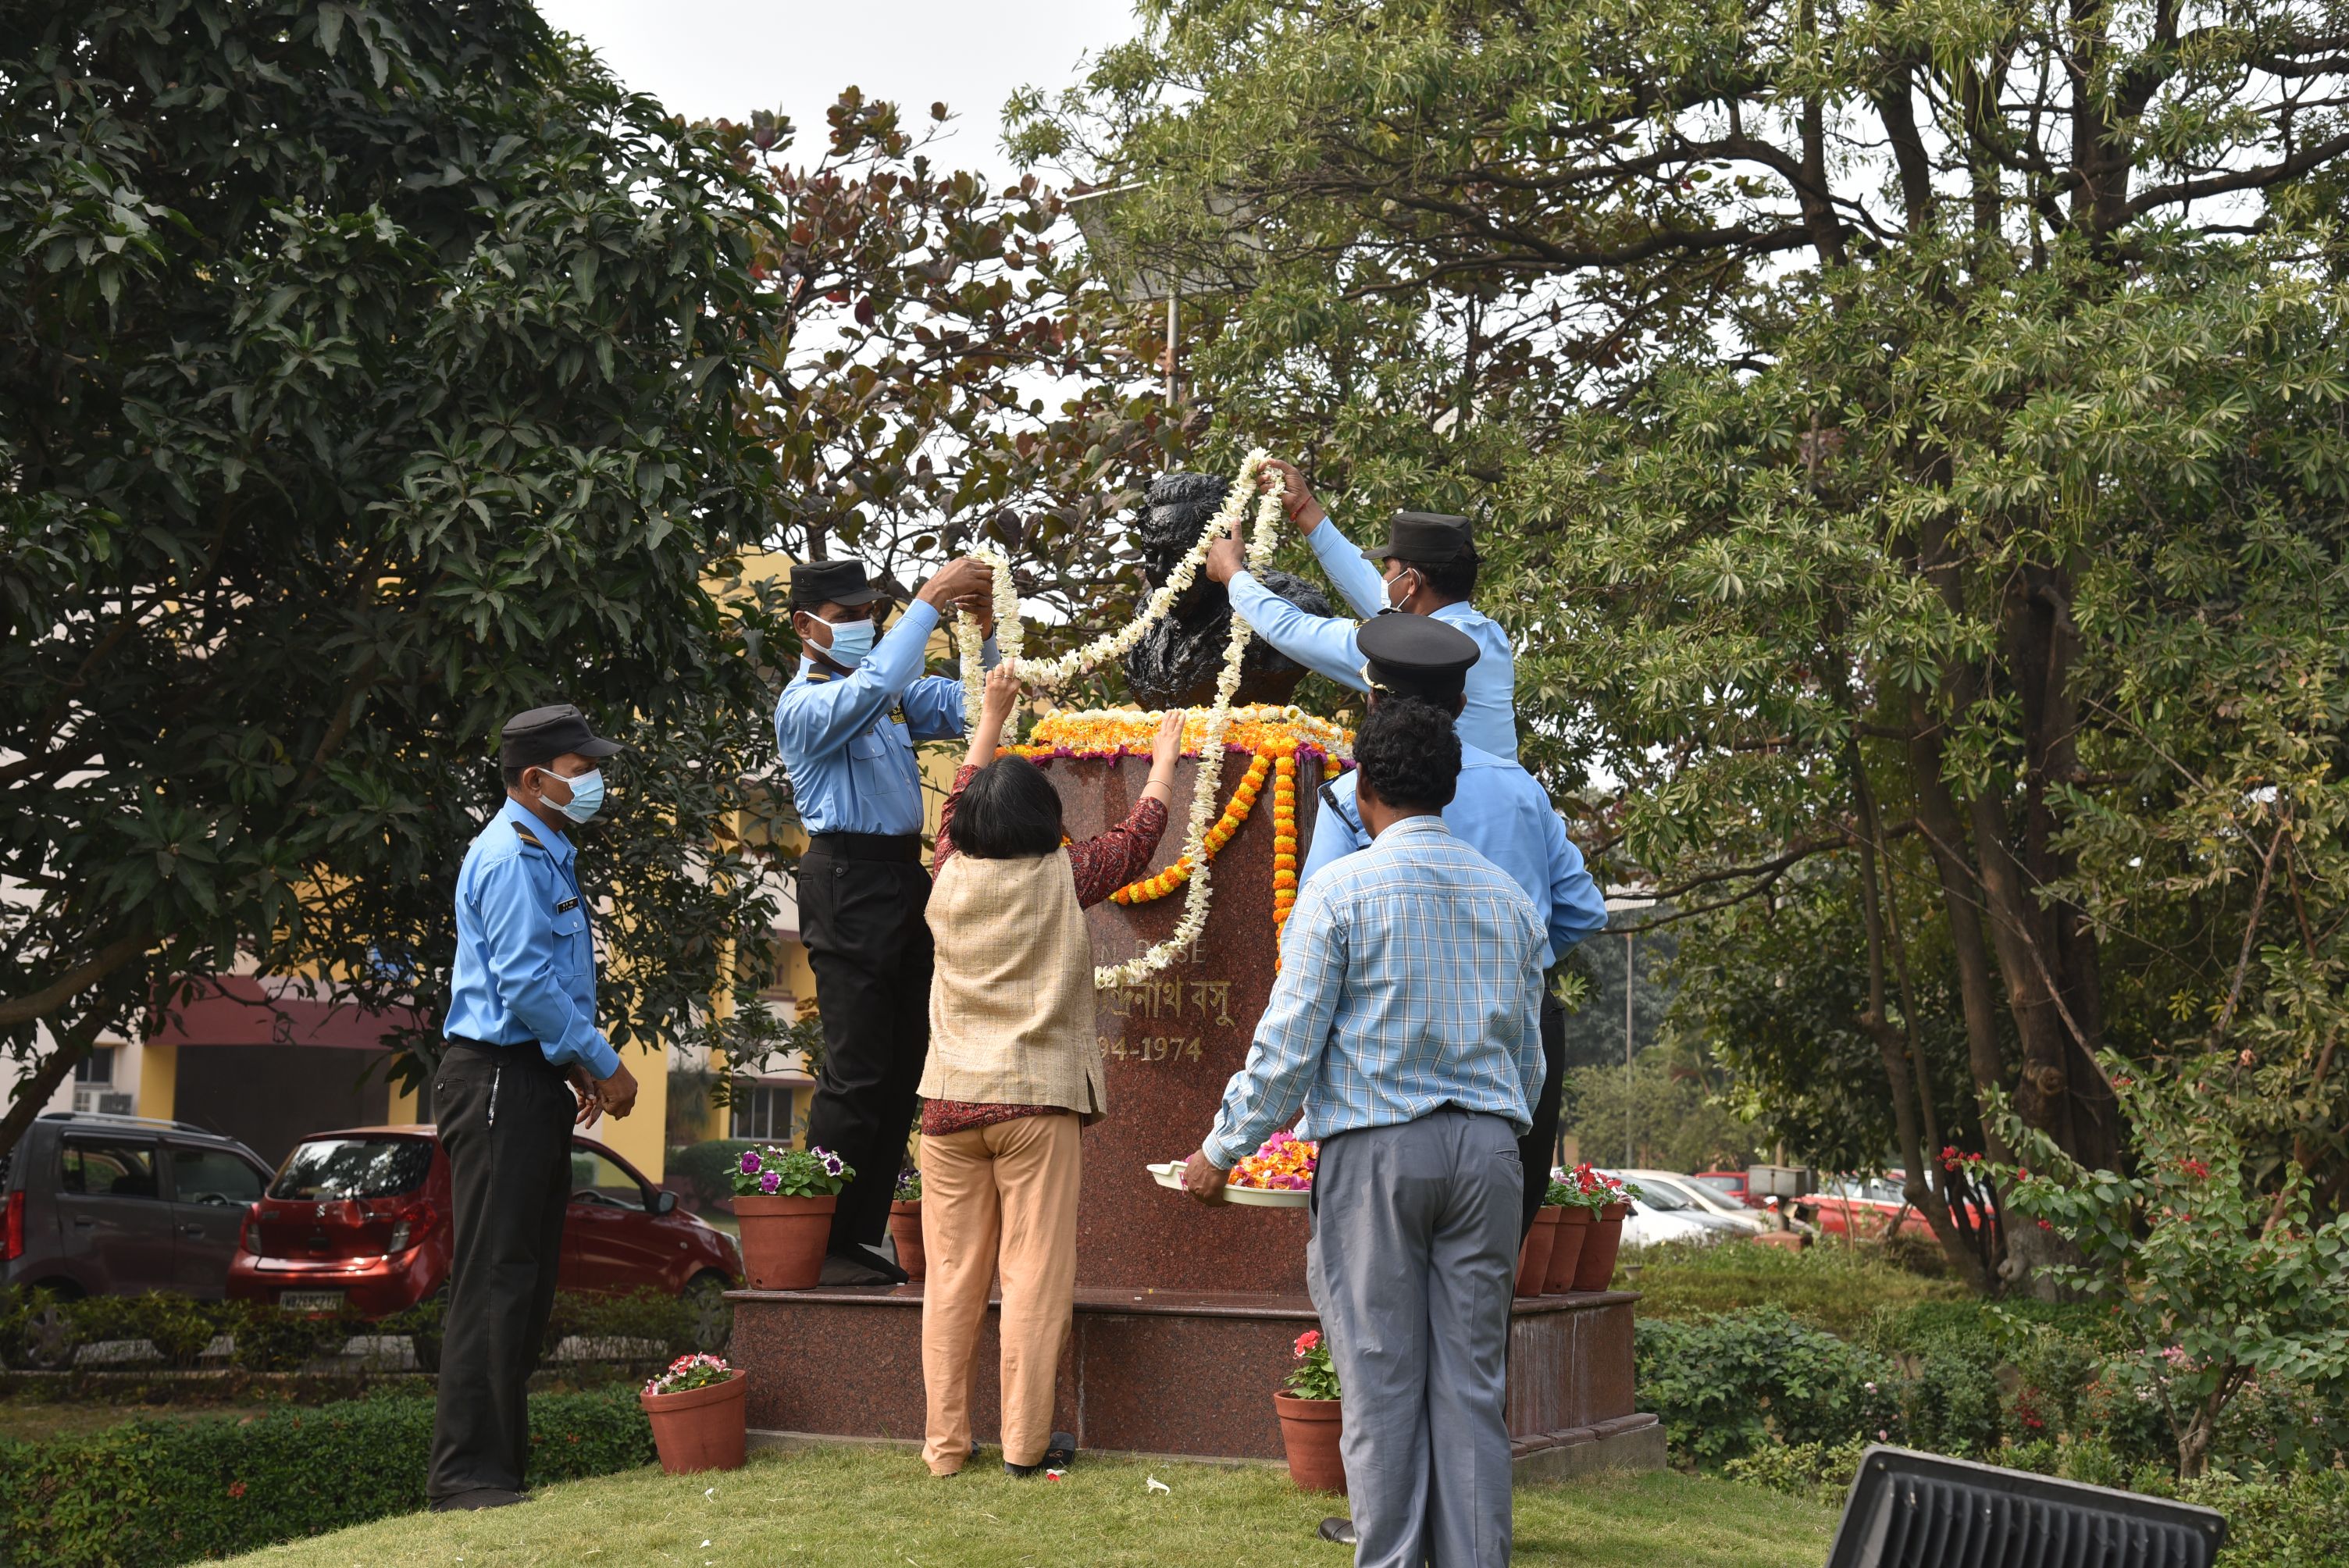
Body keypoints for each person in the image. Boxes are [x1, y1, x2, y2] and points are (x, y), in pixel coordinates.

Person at [1181, 698, 1548, 1568]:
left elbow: (1288, 1047)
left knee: (1380, 1383)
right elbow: (1529, 1060)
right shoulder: (1508, 901)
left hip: (1378, 1151)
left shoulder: (1339, 891)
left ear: (1364, 789)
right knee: (1472, 1386)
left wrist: (1220, 1149)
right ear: (1448, 787)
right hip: (1489, 1151)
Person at [916, 668, 1183, 1477]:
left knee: (950, 1280)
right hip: (1034, 1105)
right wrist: (1162, 763)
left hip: (947, 1104)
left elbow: (958, 798)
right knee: (1031, 1277)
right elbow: (1138, 838)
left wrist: (991, 718)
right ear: (1049, 822)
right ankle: (1025, 1448)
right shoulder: (1065, 876)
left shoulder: (945, 871)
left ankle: (944, 1448)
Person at [1299, 614, 1608, 1237]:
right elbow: (1582, 908)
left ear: (1372, 702)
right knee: (1491, 1260)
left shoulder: (1356, 793)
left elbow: (1310, 938)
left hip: (1389, 1046)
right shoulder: (1520, 787)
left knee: (1376, 1269)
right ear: (1462, 704)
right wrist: (1512, 964)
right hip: (1513, 1036)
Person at [430, 703, 642, 1511]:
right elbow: (523, 984)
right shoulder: (511, 856)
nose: (594, 782)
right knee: (496, 1278)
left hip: (525, 1078)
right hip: (495, 1079)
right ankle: (466, 1476)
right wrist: (603, 1062)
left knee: (523, 1281)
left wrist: (571, 1061)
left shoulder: (545, 848)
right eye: (581, 770)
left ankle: (498, 1473)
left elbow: (542, 987)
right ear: (533, 779)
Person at [773, 555, 995, 1285]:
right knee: (857, 1067)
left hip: (901, 875)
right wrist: (928, 600)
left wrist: (983, 634)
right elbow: (869, 689)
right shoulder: (805, 705)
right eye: (846, 617)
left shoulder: (887, 688)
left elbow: (976, 706)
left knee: (905, 1062)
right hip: (846, 879)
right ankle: (825, 1240)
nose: (863, 627)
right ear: (805, 626)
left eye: (869, 614)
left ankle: (859, 1235)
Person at [1202, 458, 1519, 759]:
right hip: (1503, 790)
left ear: (1411, 582)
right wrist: (1304, 508)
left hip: (1451, 797)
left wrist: (1231, 571)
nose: (1383, 580)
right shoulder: (1488, 633)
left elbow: (1293, 630)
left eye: (1388, 570)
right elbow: (1375, 593)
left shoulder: (1415, 647)